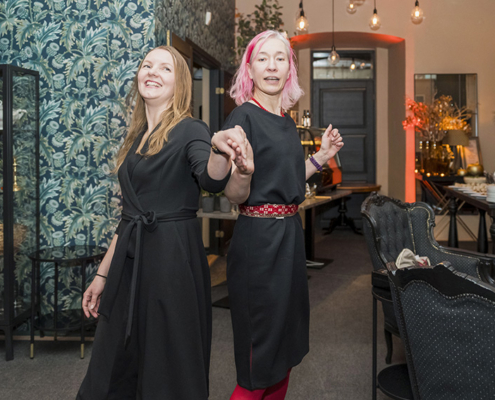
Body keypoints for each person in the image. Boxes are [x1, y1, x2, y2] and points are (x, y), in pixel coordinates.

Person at [77, 46, 248, 400]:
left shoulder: (191, 129)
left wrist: (219, 149)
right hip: (129, 263)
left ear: (179, 83)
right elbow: (128, 217)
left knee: (167, 365)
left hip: (172, 263)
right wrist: (102, 276)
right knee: (113, 360)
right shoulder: (136, 136)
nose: (153, 72)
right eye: (147, 65)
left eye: (165, 68)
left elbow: (211, 179)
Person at [222, 30, 344, 400]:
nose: (272, 66)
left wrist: (321, 157)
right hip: (258, 242)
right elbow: (233, 192)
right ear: (250, 69)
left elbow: (287, 177)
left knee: (285, 348)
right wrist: (243, 173)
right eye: (262, 58)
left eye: (280, 58)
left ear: (290, 68)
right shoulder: (242, 117)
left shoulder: (286, 120)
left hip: (289, 237)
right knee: (259, 357)